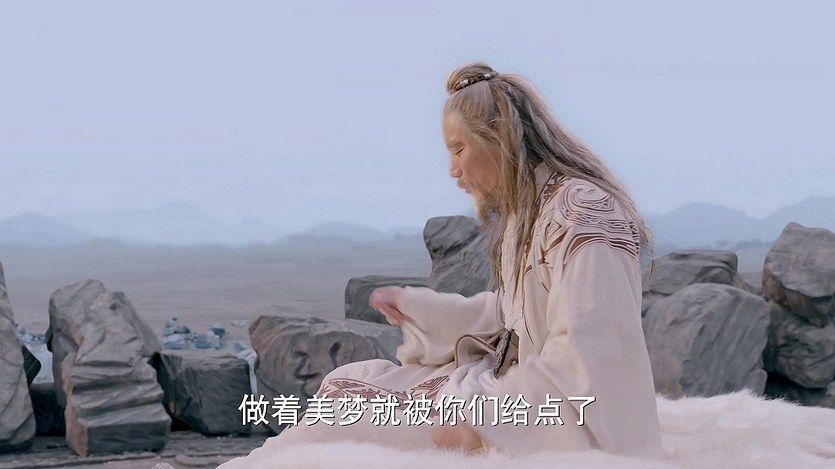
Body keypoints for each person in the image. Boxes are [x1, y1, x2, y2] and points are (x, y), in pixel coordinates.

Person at [220, 62, 662, 465]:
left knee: (339, 430)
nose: (453, 170)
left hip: (550, 422)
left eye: (459, 149)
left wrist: (484, 425)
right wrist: (421, 308)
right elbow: (518, 317)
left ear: (500, 136)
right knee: (348, 385)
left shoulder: (581, 213)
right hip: (507, 392)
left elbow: (592, 352)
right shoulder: (532, 210)